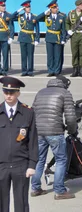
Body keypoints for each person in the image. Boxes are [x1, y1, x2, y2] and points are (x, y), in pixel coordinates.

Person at [30, 75, 77, 200]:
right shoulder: (65, 93)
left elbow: (32, 112)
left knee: (39, 160)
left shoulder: (40, 92)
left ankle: (35, 188)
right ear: (64, 84)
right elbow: (71, 117)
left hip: (38, 131)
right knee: (61, 160)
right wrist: (72, 130)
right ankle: (59, 191)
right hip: (55, 132)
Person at [0, 76, 38, 212]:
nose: (8, 96)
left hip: (21, 165)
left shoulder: (27, 112)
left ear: (18, 93)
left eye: (12, 92)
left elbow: (33, 140)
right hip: (1, 165)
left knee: (21, 203)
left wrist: (32, 164)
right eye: (6, 92)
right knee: (1, 203)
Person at [36, 0, 67, 77]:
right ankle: (50, 70)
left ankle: (57, 71)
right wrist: (44, 12)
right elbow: (36, 19)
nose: (56, 9)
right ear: (50, 9)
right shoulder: (47, 16)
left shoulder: (62, 16)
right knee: (50, 56)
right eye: (54, 8)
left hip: (58, 37)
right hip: (49, 37)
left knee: (57, 55)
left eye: (56, 7)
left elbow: (64, 29)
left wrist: (63, 39)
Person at [11, 0, 40, 77]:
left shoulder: (34, 16)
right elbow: (12, 17)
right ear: (24, 8)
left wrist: (37, 39)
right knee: (23, 55)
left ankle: (30, 71)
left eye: (29, 7)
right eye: (27, 7)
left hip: (31, 37)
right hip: (23, 37)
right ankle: (24, 71)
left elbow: (37, 28)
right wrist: (19, 10)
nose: (29, 8)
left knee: (30, 55)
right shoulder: (20, 16)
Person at [0, 0, 15, 76]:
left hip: (5, 37)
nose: (4, 7)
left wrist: (11, 37)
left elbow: (11, 26)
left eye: (4, 6)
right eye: (2, 6)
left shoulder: (8, 15)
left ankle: (5, 70)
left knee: (5, 54)